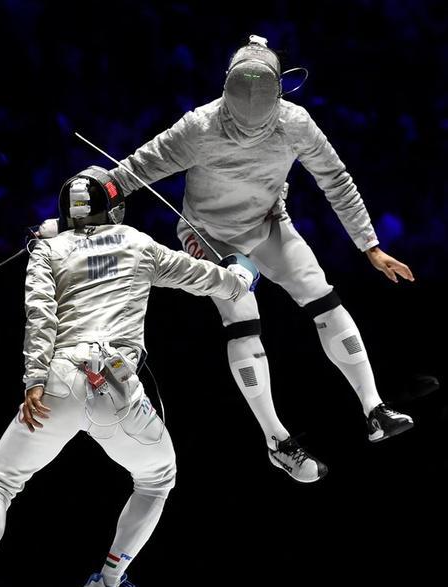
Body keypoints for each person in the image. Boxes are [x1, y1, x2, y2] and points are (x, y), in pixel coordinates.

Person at [0, 166, 259, 587]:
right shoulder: (138, 243)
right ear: (113, 208)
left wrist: (34, 382)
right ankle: (108, 582)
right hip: (117, 386)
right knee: (157, 478)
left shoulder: (46, 249)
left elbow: (40, 317)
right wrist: (242, 274)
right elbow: (212, 281)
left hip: (58, 380)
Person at [103, 34, 414, 483]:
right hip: (208, 235)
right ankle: (276, 440)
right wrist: (94, 194)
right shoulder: (200, 126)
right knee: (242, 312)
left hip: (269, 224)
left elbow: (336, 180)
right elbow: (136, 169)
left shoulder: (295, 124)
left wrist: (371, 246)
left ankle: (375, 408)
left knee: (321, 295)